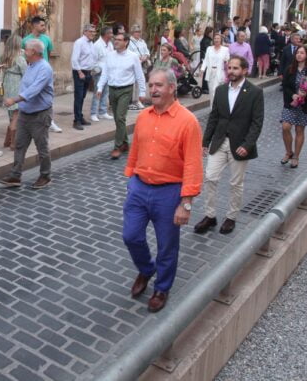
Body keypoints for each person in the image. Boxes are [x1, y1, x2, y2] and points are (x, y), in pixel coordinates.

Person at [122, 67, 203, 313]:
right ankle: (147, 270)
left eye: (158, 85)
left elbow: (192, 164)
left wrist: (186, 203)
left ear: (171, 88)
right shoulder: (144, 116)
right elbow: (135, 148)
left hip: (169, 193)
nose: (153, 89)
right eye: (150, 84)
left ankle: (162, 287)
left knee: (167, 245)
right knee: (131, 236)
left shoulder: (188, 121)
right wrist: (131, 179)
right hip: (139, 187)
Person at [194, 55, 264, 235]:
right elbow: (214, 117)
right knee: (210, 177)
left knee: (236, 183)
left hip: (240, 144)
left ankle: (231, 217)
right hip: (219, 141)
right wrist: (205, 142)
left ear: (244, 70)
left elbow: (257, 123)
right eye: (229, 68)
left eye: (235, 68)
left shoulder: (255, 92)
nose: (231, 71)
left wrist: (247, 145)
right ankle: (210, 216)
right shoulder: (221, 90)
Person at [0, 39, 54, 189]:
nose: (24, 51)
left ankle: (45, 175)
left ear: (34, 52)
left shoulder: (44, 68)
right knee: (19, 145)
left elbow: (34, 90)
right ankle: (15, 175)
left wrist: (14, 100)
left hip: (40, 114)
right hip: (25, 113)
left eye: (26, 49)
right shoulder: (30, 65)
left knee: (42, 147)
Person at [97, 32, 146, 160]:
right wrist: (100, 87)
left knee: (120, 117)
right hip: (112, 89)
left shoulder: (133, 57)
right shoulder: (110, 56)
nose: (116, 42)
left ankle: (117, 147)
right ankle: (124, 143)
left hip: (126, 90)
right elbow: (105, 73)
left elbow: (139, 75)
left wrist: (142, 92)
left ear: (126, 42)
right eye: (115, 39)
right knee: (118, 119)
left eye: (119, 40)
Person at [280, 46, 307, 169]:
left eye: (302, 53)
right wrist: (293, 95)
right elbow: (285, 86)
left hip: (304, 105)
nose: (299, 55)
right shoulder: (290, 69)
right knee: (285, 127)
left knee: (299, 130)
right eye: (298, 52)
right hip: (291, 103)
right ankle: (288, 152)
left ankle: (296, 156)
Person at [22, 16, 62, 133]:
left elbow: (48, 54)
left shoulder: (47, 39)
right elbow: (23, 56)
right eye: (42, 25)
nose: (44, 27)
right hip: (30, 70)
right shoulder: (25, 40)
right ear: (34, 25)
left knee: (47, 97)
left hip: (43, 72)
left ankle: (50, 121)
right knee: (31, 94)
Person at [0, 35, 27, 148]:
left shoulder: (2, 57)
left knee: (11, 115)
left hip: (7, 85)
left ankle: (7, 141)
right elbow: (26, 73)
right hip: (16, 86)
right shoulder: (19, 58)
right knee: (16, 115)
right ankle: (13, 143)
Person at [70, 24, 97, 130]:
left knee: (83, 96)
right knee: (78, 96)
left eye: (94, 32)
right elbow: (74, 59)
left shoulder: (91, 44)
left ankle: (80, 117)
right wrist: (80, 72)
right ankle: (76, 120)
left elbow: (91, 58)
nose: (93, 34)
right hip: (79, 72)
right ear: (85, 31)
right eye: (91, 31)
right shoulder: (79, 42)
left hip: (88, 72)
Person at [198, 33, 230, 108]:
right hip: (210, 72)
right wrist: (202, 70)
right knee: (212, 91)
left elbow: (227, 61)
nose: (216, 40)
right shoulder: (209, 48)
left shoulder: (225, 49)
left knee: (216, 91)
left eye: (218, 38)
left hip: (220, 73)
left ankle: (218, 108)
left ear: (221, 40)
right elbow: (205, 60)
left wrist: (227, 64)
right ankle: (212, 108)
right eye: (215, 38)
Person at [90, 26, 114, 122]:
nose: (112, 35)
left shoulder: (110, 44)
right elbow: (93, 60)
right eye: (111, 33)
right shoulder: (97, 45)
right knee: (98, 93)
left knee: (106, 92)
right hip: (99, 72)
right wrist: (98, 69)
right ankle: (93, 113)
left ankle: (102, 112)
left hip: (108, 72)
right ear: (106, 34)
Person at [127, 25, 151, 111]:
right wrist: (139, 57)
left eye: (139, 32)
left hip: (142, 65)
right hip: (133, 65)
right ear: (132, 32)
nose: (138, 33)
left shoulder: (142, 41)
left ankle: (138, 101)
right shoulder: (129, 42)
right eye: (136, 32)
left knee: (141, 82)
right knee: (132, 83)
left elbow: (147, 52)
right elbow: (128, 53)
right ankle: (131, 102)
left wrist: (146, 56)